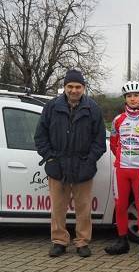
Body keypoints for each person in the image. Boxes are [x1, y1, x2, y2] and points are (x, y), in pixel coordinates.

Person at [34, 69, 106, 258]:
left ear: (84, 88)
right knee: (58, 208)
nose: (74, 90)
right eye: (70, 86)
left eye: (78, 87)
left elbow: (99, 142)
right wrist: (50, 158)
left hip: (83, 166)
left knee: (84, 208)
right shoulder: (51, 107)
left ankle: (82, 242)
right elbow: (40, 137)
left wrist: (90, 161)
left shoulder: (93, 109)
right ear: (64, 87)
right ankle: (59, 241)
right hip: (58, 165)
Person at [105, 81, 139, 258]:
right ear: (125, 98)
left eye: (136, 95)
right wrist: (123, 158)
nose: (133, 99)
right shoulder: (118, 120)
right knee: (120, 206)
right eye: (129, 96)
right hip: (121, 170)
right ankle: (122, 242)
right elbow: (114, 144)